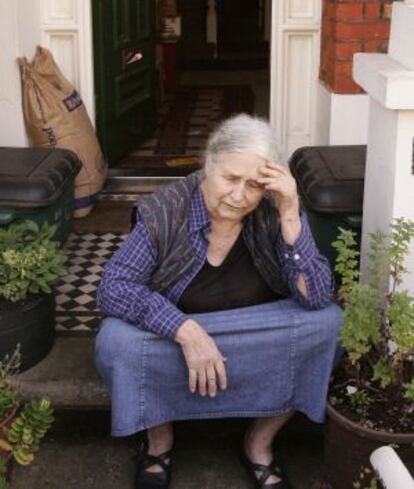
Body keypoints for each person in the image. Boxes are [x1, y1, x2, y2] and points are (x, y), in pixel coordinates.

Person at [95, 113, 343, 489]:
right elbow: (113, 286)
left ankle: (259, 444)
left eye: (254, 185)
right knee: (115, 339)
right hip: (179, 347)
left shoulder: (273, 211)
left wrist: (291, 215)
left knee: (329, 323)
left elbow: (316, 297)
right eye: (230, 178)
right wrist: (184, 329)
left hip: (256, 337)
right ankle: (159, 443)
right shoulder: (164, 211)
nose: (240, 195)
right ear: (207, 164)